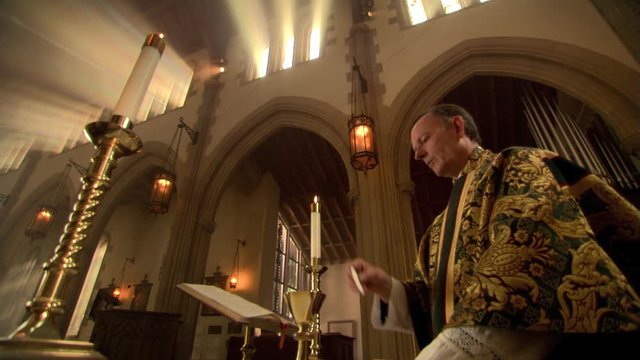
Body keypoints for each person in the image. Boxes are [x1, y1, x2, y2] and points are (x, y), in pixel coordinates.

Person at [348, 104, 640, 359]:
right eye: (415, 148)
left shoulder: (515, 166)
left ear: (458, 126)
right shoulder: (435, 231)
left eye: (423, 140)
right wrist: (387, 287)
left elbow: (531, 251)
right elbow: (434, 304)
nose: (418, 155)